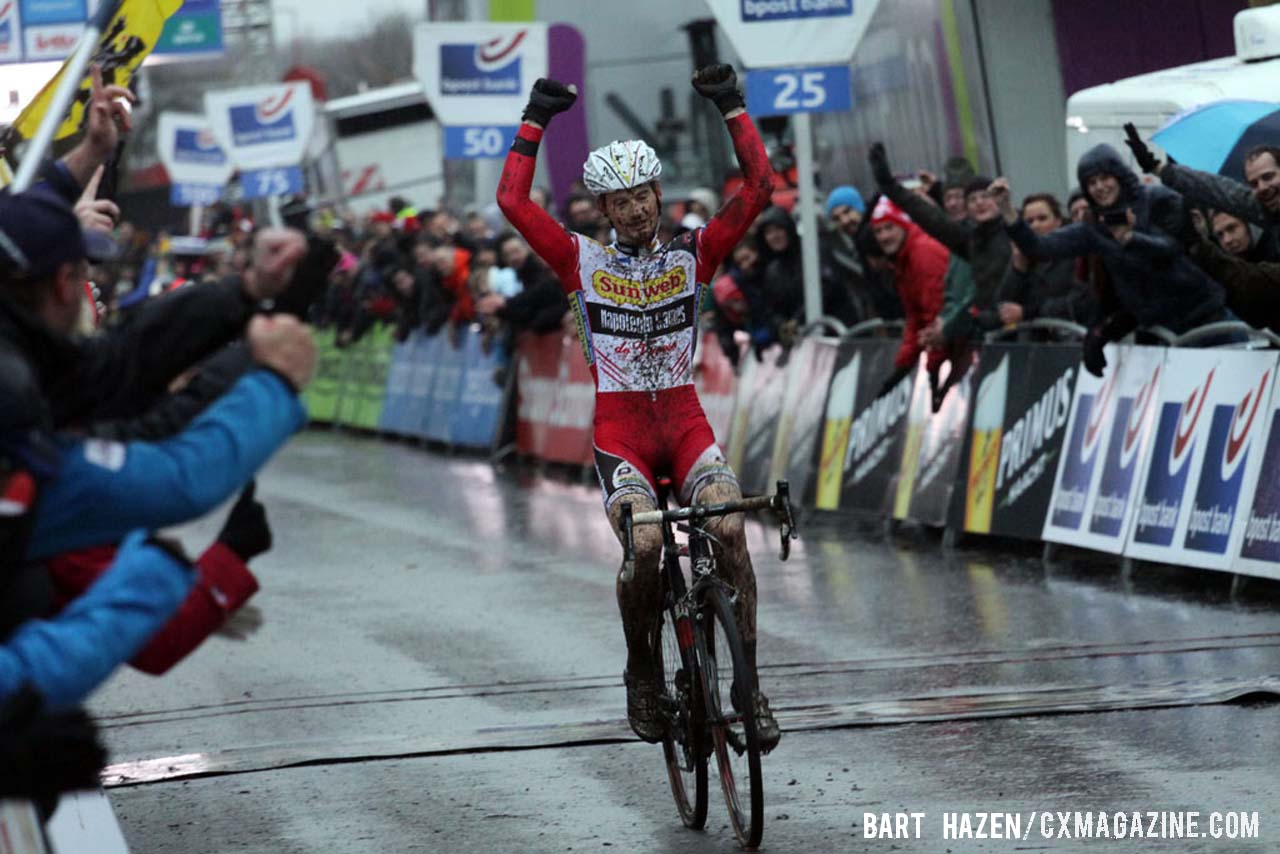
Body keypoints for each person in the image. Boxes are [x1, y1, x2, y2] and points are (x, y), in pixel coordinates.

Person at [497, 65, 780, 749]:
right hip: (621, 429)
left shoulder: (695, 253)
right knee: (647, 541)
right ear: (602, 208)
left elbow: (761, 189)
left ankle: (750, 689)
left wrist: (732, 107)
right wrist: (535, 120)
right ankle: (644, 673)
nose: (635, 210)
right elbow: (512, 203)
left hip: (684, 421)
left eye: (644, 196)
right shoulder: (579, 262)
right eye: (620, 201)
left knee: (733, 530)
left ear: (659, 193)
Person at [990, 143, 1228, 378]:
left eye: (1105, 178)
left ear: (1120, 176)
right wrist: (1008, 212)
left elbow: (1173, 248)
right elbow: (1040, 247)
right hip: (1159, 332)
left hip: (1205, 320)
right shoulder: (1094, 227)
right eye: (1091, 183)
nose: (1099, 187)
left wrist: (1130, 238)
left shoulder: (1157, 200)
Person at [868, 196, 973, 411]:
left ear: (904, 225)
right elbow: (915, 316)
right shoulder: (903, 259)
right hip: (951, 342)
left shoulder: (922, 254)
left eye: (889, 228)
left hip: (962, 343)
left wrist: (933, 366)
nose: (884, 236)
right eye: (878, 231)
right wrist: (903, 365)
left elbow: (936, 311)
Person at [1125, 126, 1280, 258]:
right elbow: (1216, 189)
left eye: (1268, 177)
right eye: (1254, 183)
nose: (1262, 187)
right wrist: (1158, 169)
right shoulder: (1263, 208)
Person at [997, 193, 1097, 326]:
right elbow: (1003, 305)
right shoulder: (1022, 257)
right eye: (1029, 221)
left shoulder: (1076, 254)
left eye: (1042, 218)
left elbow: (1080, 301)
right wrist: (1018, 269)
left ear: (1058, 221)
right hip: (1032, 340)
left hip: (1072, 337)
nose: (1035, 226)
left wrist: (1028, 312)